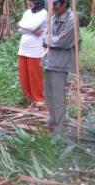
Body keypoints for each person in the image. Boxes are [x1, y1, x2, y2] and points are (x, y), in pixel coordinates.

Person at [42, 0, 81, 132]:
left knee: (58, 97)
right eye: (52, 4)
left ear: (65, 4)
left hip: (61, 63)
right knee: (48, 94)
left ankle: (60, 127)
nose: (53, 7)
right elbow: (44, 36)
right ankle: (53, 118)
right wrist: (51, 39)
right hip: (49, 60)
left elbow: (64, 41)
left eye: (56, 4)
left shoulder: (72, 20)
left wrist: (50, 39)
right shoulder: (54, 17)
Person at [17, 0, 47, 107]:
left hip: (36, 48)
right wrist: (30, 30)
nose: (28, 2)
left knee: (35, 74)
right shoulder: (27, 12)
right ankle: (28, 97)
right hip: (23, 48)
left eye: (30, 0)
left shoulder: (43, 12)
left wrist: (25, 27)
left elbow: (31, 26)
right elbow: (19, 27)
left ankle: (38, 98)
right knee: (23, 74)